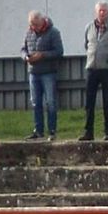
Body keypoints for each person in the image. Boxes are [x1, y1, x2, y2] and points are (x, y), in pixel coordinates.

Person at [80, 1, 108, 142]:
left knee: (107, 101)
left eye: (105, 10)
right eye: (100, 10)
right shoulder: (89, 27)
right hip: (92, 68)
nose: (102, 13)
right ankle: (88, 132)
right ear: (96, 12)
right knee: (89, 102)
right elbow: (86, 45)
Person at [21, 11, 63, 141]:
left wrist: (43, 55)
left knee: (50, 102)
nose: (34, 27)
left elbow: (59, 51)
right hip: (33, 72)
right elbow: (23, 49)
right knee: (35, 102)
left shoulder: (53, 32)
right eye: (32, 25)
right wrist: (26, 57)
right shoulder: (29, 33)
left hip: (48, 72)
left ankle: (52, 131)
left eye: (36, 24)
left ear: (42, 21)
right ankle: (38, 131)